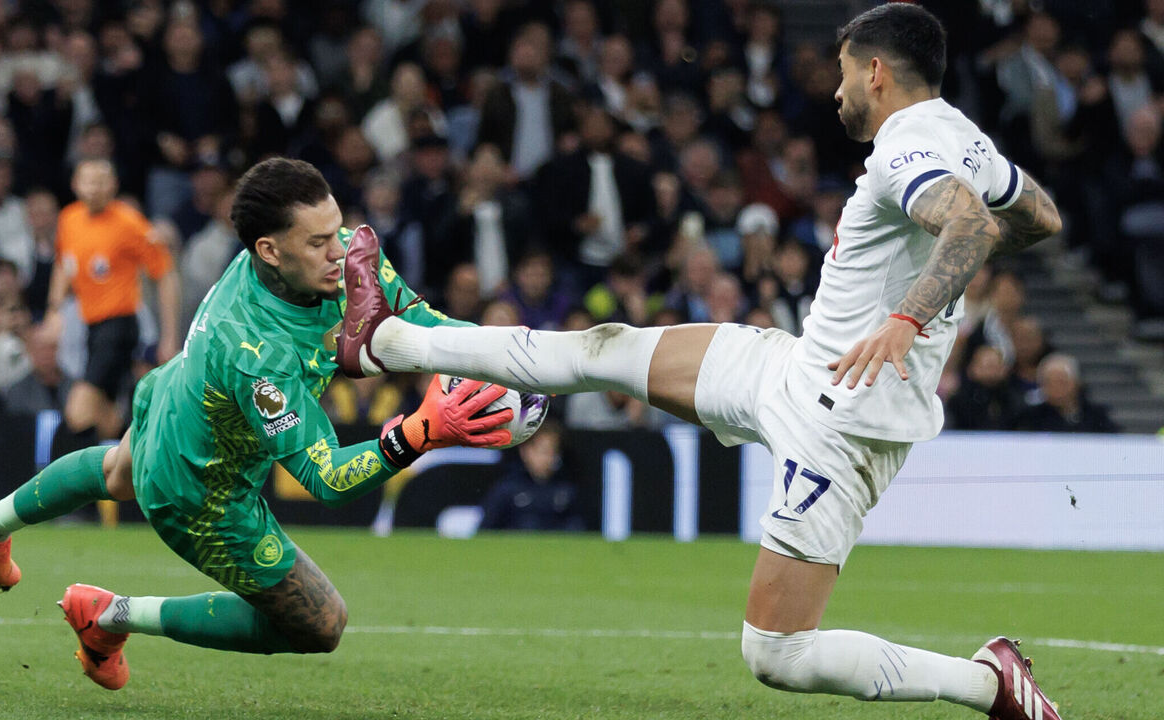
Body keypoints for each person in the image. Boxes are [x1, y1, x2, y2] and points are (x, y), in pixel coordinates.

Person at [335, 6, 1065, 720]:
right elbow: (1040, 217)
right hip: (794, 367)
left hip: (843, 426)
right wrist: (939, 277)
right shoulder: (963, 139)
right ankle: (386, 342)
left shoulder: (908, 143)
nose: (837, 92)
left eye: (844, 74)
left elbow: (967, 220)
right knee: (601, 348)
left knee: (778, 654)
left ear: (876, 72)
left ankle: (987, 682)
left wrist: (908, 317)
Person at [0, 158, 514, 691]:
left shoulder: (325, 259)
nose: (338, 252)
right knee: (321, 624)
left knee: (116, 470)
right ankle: (110, 615)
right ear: (269, 250)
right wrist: (419, 433)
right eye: (317, 242)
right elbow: (329, 480)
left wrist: (507, 360)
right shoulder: (260, 354)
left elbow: (425, 322)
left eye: (338, 228)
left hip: (173, 394)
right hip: (200, 489)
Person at [44, 158, 181, 442]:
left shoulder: (129, 223)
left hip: (119, 326)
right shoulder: (69, 219)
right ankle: (141, 450)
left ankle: (60, 483)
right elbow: (62, 264)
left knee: (78, 411)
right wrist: (54, 311)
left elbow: (165, 274)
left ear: (113, 185)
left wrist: (169, 337)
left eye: (101, 181)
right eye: (88, 181)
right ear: (75, 184)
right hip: (90, 327)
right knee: (104, 418)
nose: (94, 188)